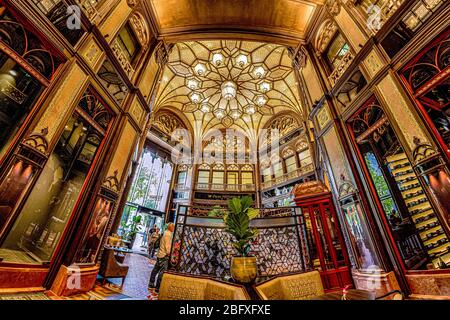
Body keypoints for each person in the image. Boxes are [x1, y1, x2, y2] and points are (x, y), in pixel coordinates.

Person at [148, 223, 174, 292]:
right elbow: (167, 246)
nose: (174, 228)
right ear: (170, 228)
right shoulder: (168, 235)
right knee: (161, 272)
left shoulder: (164, 232)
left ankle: (151, 284)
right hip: (164, 255)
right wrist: (169, 254)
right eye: (173, 227)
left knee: (155, 270)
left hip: (160, 254)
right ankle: (157, 288)